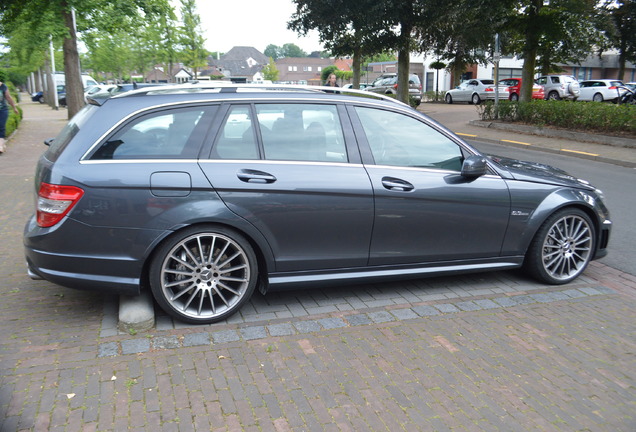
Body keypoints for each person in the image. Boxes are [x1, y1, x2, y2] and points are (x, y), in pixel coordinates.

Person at [0, 80, 19, 154]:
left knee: (1, 127)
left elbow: (8, 97)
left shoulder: (3, 86)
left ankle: (0, 145)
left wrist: (14, 107)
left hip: (2, 110)